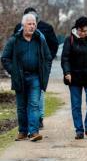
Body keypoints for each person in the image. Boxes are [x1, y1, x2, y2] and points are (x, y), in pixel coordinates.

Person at [1, 13, 52, 142]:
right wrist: (14, 72)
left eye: (34, 24)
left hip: (35, 77)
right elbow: (5, 58)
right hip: (20, 77)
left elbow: (47, 58)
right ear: (23, 25)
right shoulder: (15, 40)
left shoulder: (40, 39)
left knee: (34, 104)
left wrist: (45, 72)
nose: (32, 26)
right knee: (21, 106)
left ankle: (34, 132)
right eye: (29, 24)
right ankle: (22, 131)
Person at [14, 7, 58, 129]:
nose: (31, 24)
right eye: (28, 21)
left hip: (39, 71)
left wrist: (46, 63)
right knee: (23, 101)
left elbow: (53, 46)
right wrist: (13, 70)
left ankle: (38, 120)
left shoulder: (46, 29)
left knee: (38, 96)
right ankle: (26, 126)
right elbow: (11, 51)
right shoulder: (18, 30)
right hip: (22, 71)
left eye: (33, 21)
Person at [61, 16, 87, 139]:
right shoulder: (70, 40)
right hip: (74, 77)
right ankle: (79, 129)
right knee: (76, 104)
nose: (82, 33)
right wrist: (67, 72)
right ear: (76, 29)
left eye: (85, 30)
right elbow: (65, 58)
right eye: (80, 30)